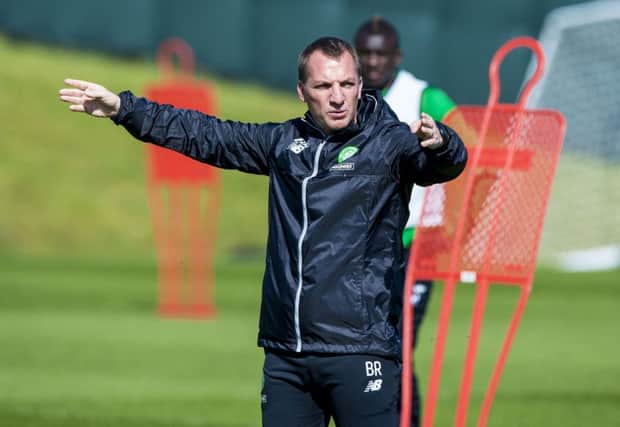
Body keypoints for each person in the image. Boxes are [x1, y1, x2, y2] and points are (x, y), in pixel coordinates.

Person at [59, 36, 466, 427]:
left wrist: (442, 143)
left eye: (346, 84)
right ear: (302, 91)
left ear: (360, 85)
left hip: (359, 351)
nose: (338, 96)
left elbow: (444, 166)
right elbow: (207, 135)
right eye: (324, 85)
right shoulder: (283, 143)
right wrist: (124, 109)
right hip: (287, 356)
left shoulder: (390, 143)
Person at [354, 17, 458, 427]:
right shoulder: (348, 98)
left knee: (399, 343)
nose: (374, 61)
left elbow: (467, 146)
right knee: (370, 344)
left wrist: (457, 223)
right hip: (366, 241)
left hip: (417, 241)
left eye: (381, 53)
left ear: (397, 56)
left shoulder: (424, 97)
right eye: (366, 53)